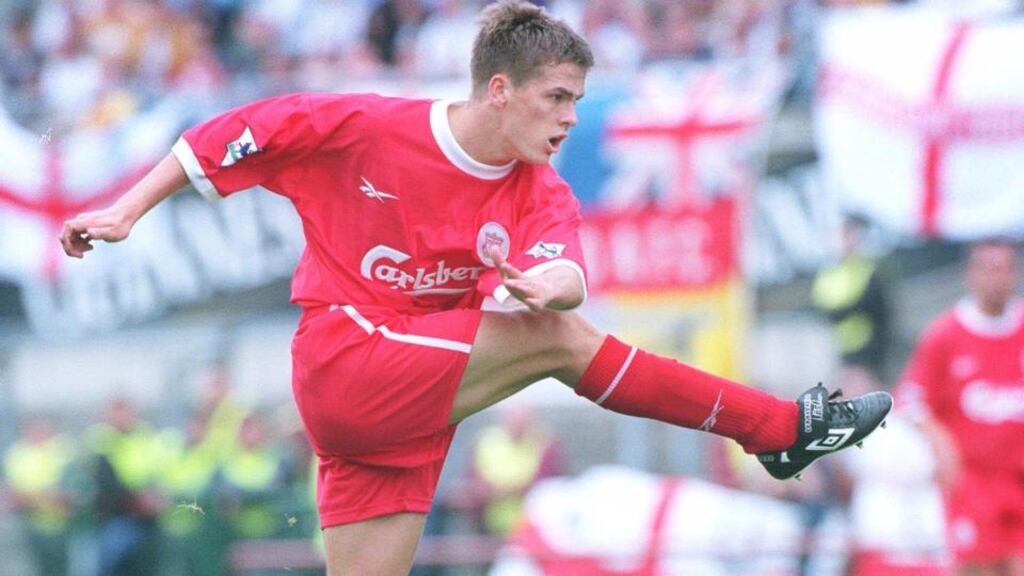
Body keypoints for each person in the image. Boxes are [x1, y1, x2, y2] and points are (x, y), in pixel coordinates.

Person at [60, 2, 892, 573]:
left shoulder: (540, 189)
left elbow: (566, 273)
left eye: (577, 100)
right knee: (556, 345)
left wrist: (548, 285)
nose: (569, 118)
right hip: (345, 359)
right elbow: (224, 134)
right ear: (500, 91)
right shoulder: (366, 127)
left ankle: (777, 434)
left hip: (405, 412)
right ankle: (776, 429)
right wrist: (126, 210)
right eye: (556, 98)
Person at [899, 240, 1024, 576]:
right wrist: (939, 440)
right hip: (973, 482)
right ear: (971, 274)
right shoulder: (946, 334)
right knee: (978, 568)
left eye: (1006, 269)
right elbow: (911, 399)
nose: (999, 278)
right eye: (990, 269)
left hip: (1019, 478)